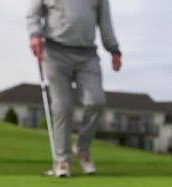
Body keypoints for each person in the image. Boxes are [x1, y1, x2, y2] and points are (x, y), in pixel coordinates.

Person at [27, 0, 122, 177]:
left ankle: (82, 148)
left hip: (87, 55)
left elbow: (105, 22)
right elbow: (34, 14)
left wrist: (114, 49)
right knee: (62, 107)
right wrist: (34, 35)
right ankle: (63, 161)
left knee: (96, 102)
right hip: (55, 51)